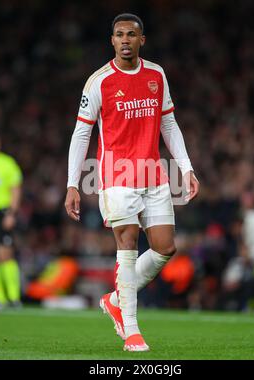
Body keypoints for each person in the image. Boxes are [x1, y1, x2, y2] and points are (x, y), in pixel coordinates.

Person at [65, 13, 199, 351]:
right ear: (112, 41)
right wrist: (72, 183)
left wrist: (186, 167)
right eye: (119, 34)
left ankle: (115, 300)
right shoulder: (99, 82)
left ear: (142, 40)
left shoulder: (156, 74)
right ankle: (132, 330)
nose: (125, 40)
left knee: (165, 247)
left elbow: (169, 124)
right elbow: (82, 133)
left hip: (154, 173)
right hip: (116, 175)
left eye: (132, 34)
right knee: (127, 244)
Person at [0, 127, 22, 308]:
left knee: (5, 255)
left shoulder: (7, 164)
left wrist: (11, 214)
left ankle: (14, 297)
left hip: (1, 213)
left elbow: (15, 191)